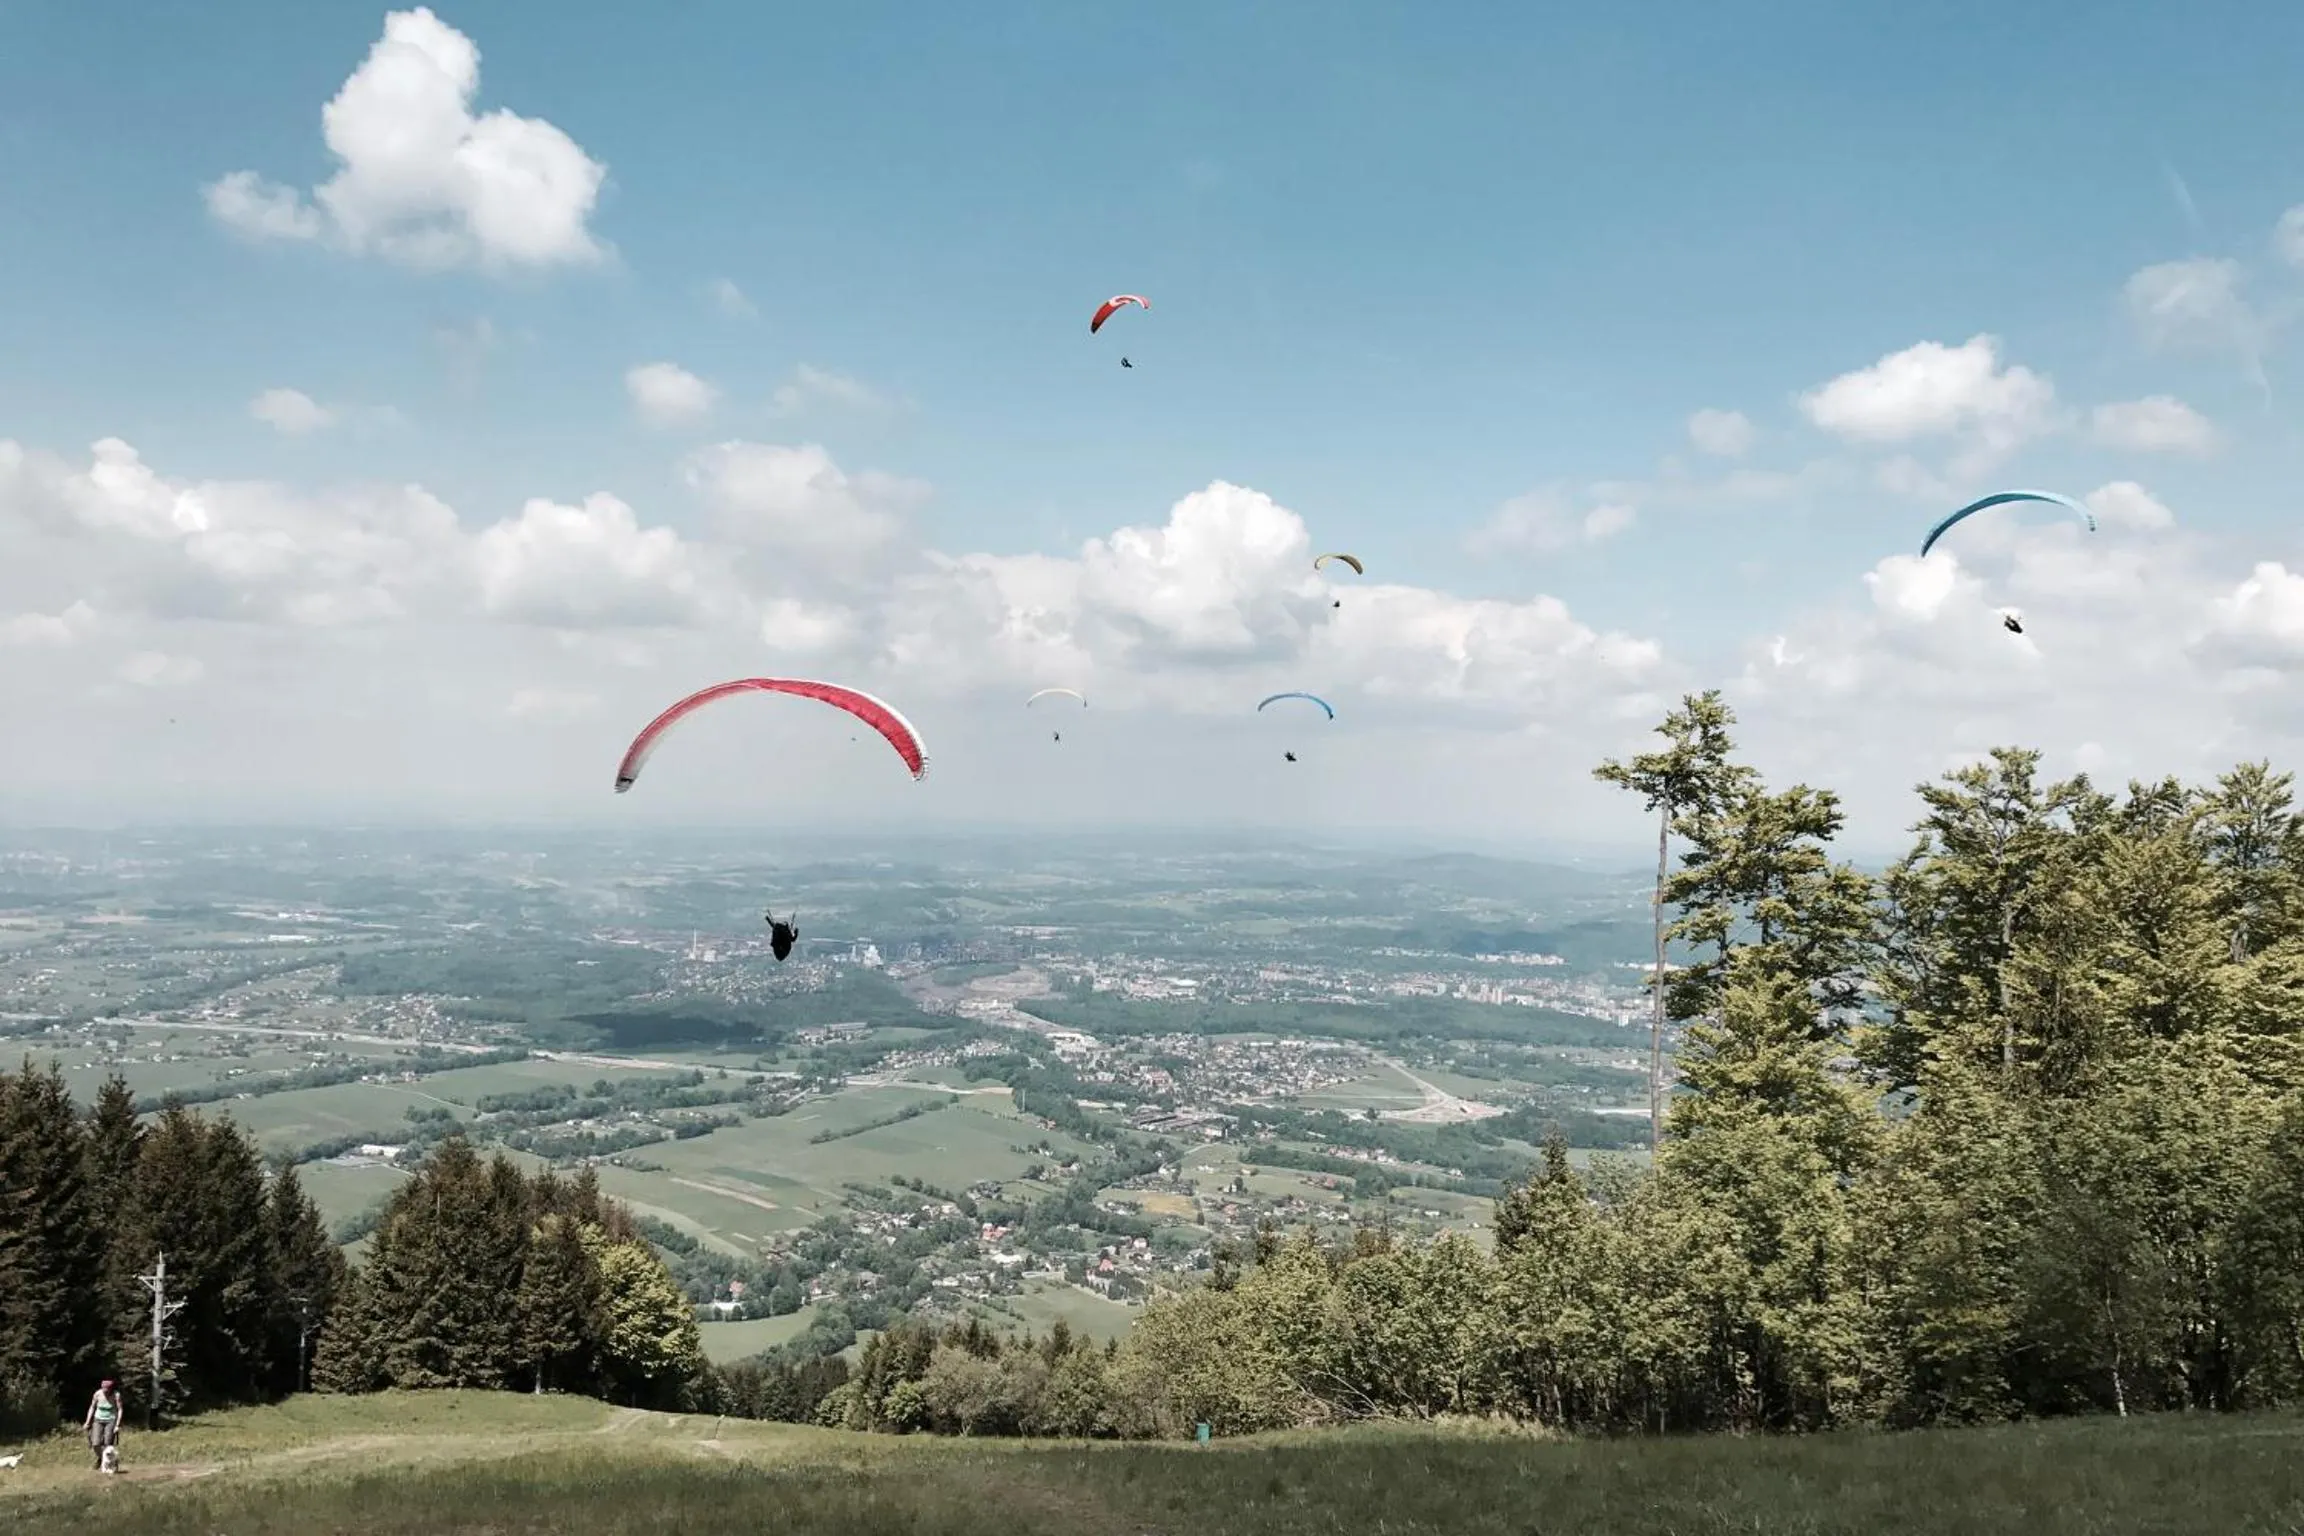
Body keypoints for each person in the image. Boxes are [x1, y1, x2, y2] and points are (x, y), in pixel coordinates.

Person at [84, 1379, 121, 1471]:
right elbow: (92, 1407)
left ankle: (112, 1463)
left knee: (107, 1444)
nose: (104, 1391)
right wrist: (88, 1422)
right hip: (98, 1419)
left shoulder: (116, 1395)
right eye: (103, 1389)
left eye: (106, 1389)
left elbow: (120, 1409)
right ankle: (101, 1459)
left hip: (110, 1420)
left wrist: (117, 1425)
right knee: (95, 1443)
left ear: (110, 1389)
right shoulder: (97, 1394)